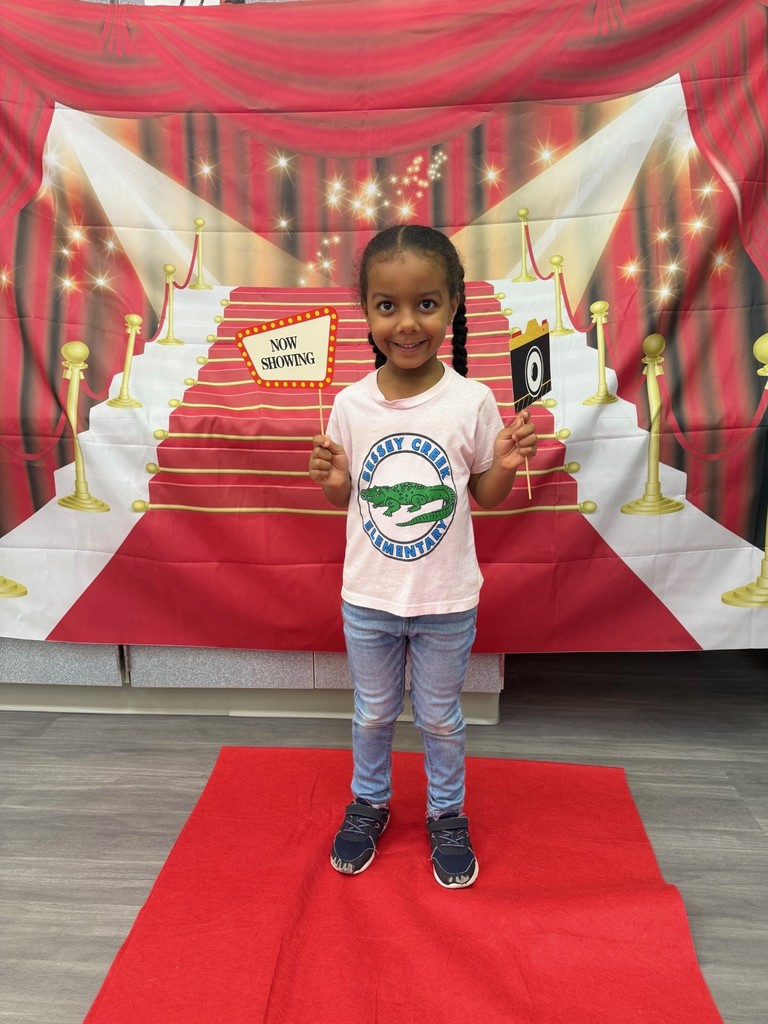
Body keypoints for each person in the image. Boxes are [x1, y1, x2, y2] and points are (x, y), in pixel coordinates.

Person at [308, 225, 537, 888]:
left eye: (426, 304)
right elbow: (341, 499)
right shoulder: (348, 405)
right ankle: (370, 803)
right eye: (388, 306)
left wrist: (510, 461)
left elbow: (487, 496)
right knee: (373, 711)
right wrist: (328, 477)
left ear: (454, 303)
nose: (407, 323)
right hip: (369, 599)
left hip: (446, 601)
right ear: (368, 311)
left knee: (440, 718)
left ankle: (445, 813)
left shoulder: (474, 401)